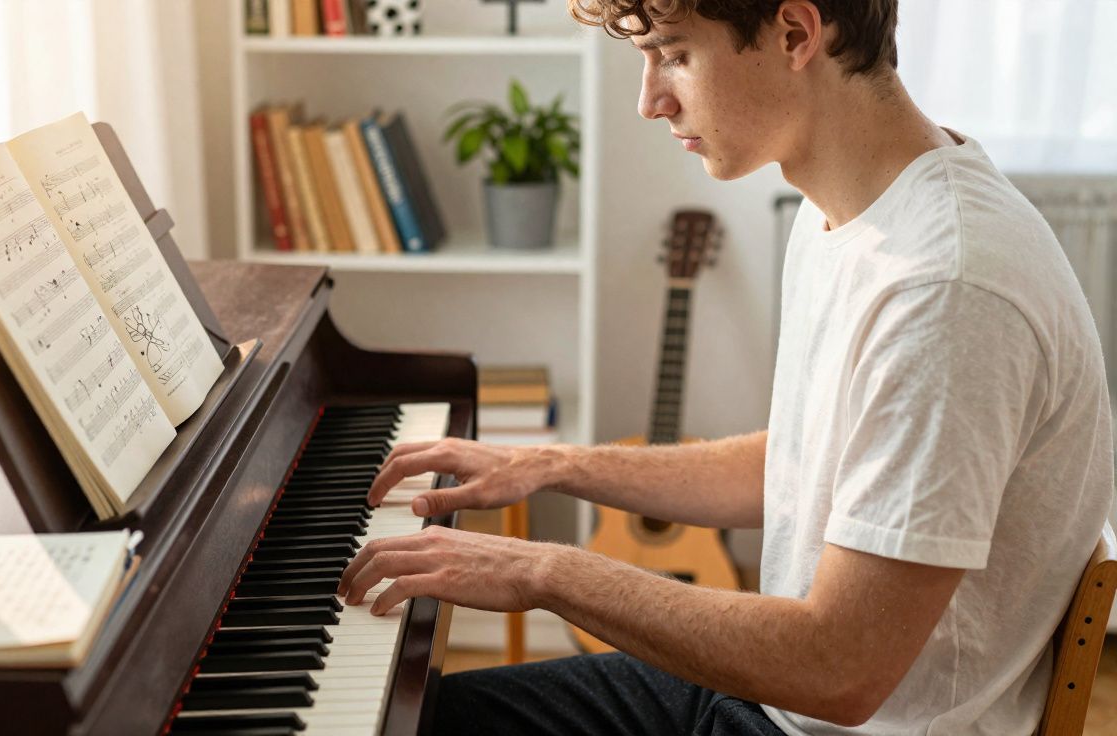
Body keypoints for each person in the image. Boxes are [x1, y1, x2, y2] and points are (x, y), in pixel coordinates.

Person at [336, 0, 1115, 733]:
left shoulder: (945, 286)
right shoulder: (849, 205)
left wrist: (545, 572)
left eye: (673, 56)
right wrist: (547, 465)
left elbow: (842, 668)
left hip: (824, 714)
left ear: (796, 34)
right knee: (404, 721)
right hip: (774, 700)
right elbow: (805, 464)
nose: (651, 102)